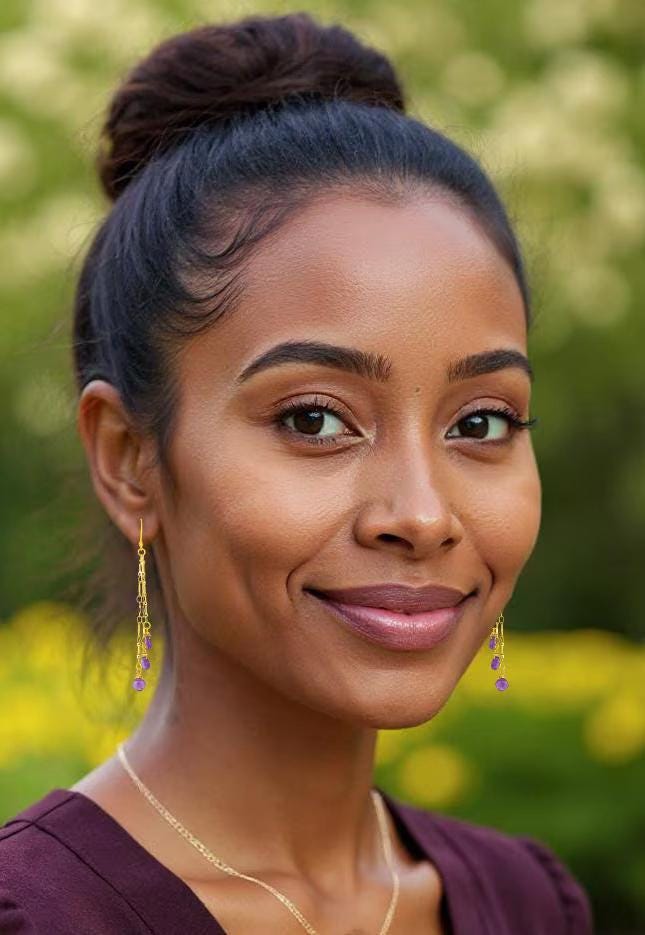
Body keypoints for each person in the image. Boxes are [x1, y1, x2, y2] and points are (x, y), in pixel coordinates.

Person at [0, 11, 593, 934]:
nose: (423, 513)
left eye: (480, 421)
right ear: (129, 459)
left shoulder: (525, 903)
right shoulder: (44, 915)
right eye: (315, 419)